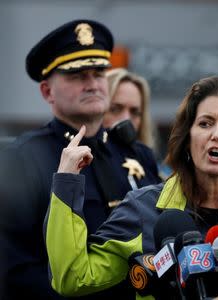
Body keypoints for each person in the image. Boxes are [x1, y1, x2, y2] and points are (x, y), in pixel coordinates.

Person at [44, 76, 218, 298]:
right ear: (188, 138)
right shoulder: (142, 208)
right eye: (205, 123)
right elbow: (73, 278)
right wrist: (67, 181)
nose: (217, 135)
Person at [0, 20, 161, 299]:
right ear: (47, 92)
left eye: (99, 73)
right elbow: (15, 270)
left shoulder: (137, 154)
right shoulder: (20, 159)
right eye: (77, 75)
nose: (92, 84)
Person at [104, 68, 157, 149]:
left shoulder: (146, 158)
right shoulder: (82, 159)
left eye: (135, 112)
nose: (126, 119)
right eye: (115, 109)